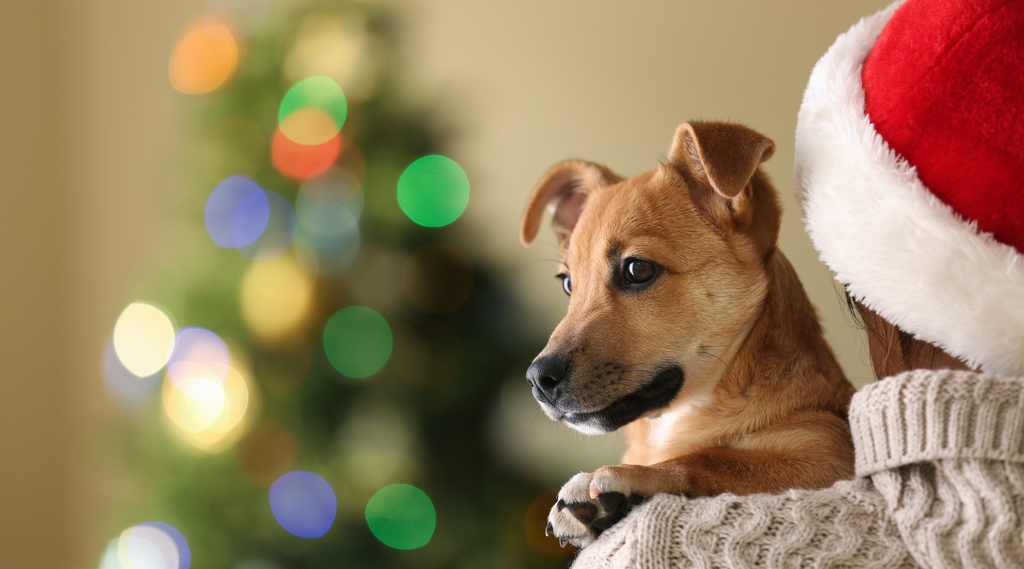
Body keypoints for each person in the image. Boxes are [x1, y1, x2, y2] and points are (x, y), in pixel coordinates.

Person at [571, 0, 1024, 567]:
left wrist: (689, 477)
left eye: (637, 271)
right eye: (570, 285)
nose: (554, 352)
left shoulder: (667, 541)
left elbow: (827, 465)